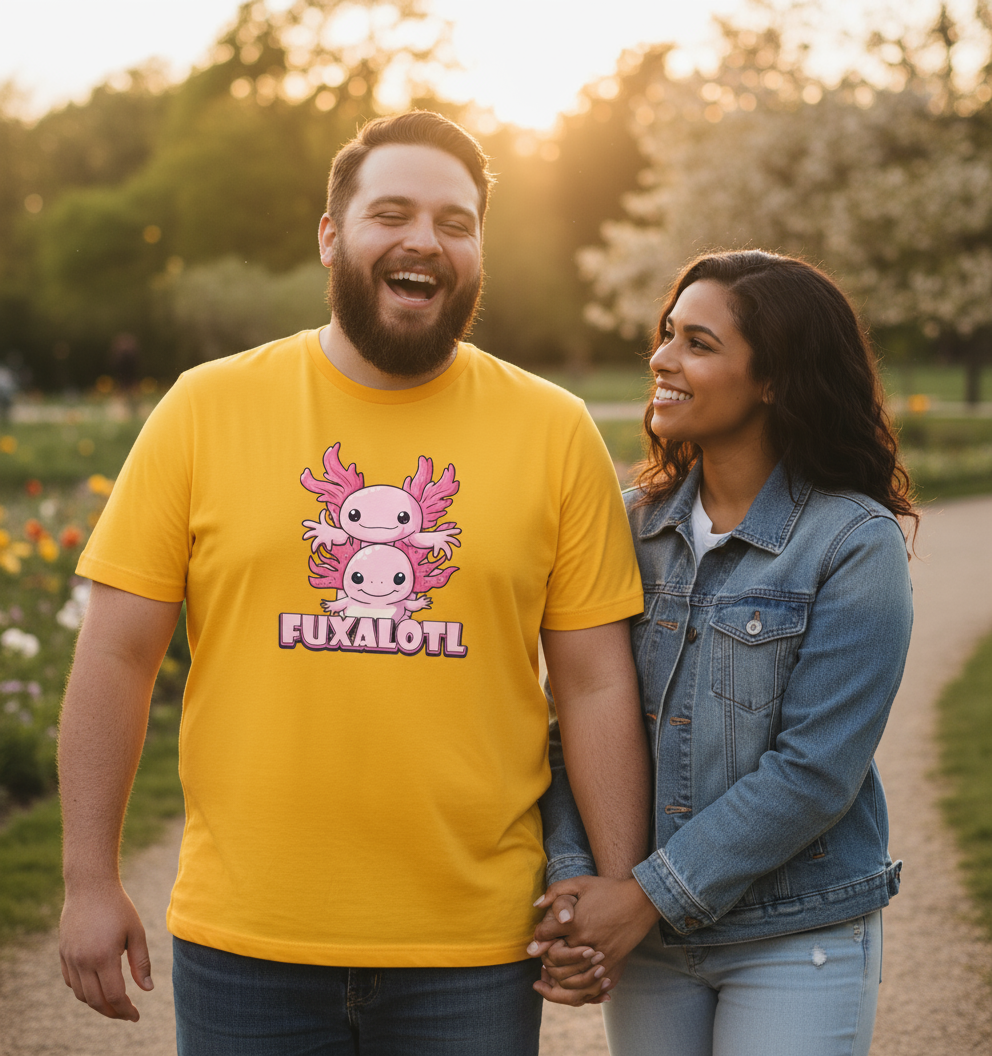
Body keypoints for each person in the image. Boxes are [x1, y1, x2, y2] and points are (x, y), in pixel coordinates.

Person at [57, 110, 651, 1055]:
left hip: (474, 950)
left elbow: (594, 681)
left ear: (479, 251)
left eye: (456, 223)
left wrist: (618, 881)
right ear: (332, 236)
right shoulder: (205, 408)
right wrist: (89, 880)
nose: (426, 240)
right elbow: (117, 656)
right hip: (247, 940)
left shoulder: (555, 430)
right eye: (392, 213)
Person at [529, 250, 915, 1056]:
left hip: (793, 931)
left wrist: (639, 898)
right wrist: (576, 888)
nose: (662, 359)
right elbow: (570, 727)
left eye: (698, 344)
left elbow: (814, 772)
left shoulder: (852, 542)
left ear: (774, 379)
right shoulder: (624, 527)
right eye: (667, 334)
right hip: (648, 942)